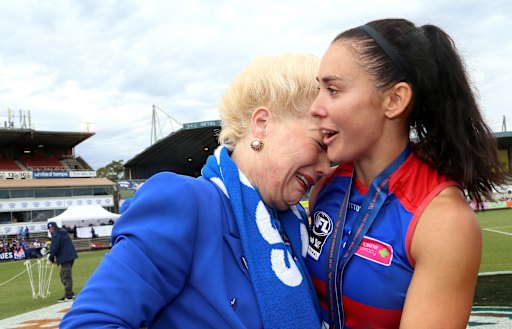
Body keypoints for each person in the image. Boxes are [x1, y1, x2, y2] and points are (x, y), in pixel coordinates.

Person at [60, 53, 331, 329]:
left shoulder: (294, 225)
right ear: (262, 123)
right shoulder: (185, 202)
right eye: (320, 145)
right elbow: (89, 322)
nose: (325, 168)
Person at [306, 18, 508, 328]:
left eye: (333, 90)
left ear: (394, 100)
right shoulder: (326, 186)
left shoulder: (443, 221)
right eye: (319, 89)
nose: (315, 107)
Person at [47, 221, 78, 302]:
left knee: (65, 276)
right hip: (69, 256)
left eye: (49, 229)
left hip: (66, 257)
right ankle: (69, 293)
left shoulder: (56, 234)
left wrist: (51, 258)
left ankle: (69, 295)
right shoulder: (62, 231)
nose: (49, 231)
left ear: (52, 228)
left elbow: (54, 247)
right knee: (63, 275)